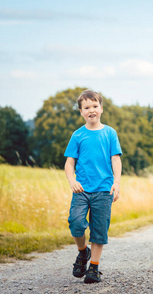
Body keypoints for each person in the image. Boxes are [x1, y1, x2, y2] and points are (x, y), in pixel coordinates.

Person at [64, 90, 122, 283]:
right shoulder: (78, 135)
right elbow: (69, 163)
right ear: (81, 112)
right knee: (76, 223)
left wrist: (117, 183)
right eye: (86, 107)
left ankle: (94, 269)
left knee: (99, 230)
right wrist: (72, 181)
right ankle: (83, 252)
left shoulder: (110, 133)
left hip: (104, 190)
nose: (91, 110)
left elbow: (116, 160)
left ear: (101, 109)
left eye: (95, 106)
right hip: (82, 190)